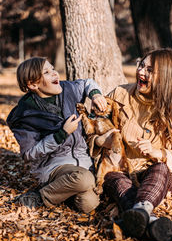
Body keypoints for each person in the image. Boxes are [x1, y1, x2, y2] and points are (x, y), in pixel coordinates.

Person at [89, 48, 172, 241]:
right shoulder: (120, 95)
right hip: (120, 171)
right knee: (114, 178)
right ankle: (152, 222)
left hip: (153, 175)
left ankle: (141, 212)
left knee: (160, 168)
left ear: (165, 77)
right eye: (141, 65)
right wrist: (102, 141)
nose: (141, 72)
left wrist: (160, 152)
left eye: (149, 70)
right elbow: (90, 131)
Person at [7, 57, 107, 213]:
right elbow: (29, 154)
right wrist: (61, 134)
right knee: (85, 179)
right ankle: (39, 196)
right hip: (53, 166)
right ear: (33, 84)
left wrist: (96, 95)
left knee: (89, 205)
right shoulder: (26, 113)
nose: (55, 74)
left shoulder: (68, 89)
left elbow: (87, 83)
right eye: (47, 72)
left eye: (52, 68)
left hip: (83, 161)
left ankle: (64, 192)